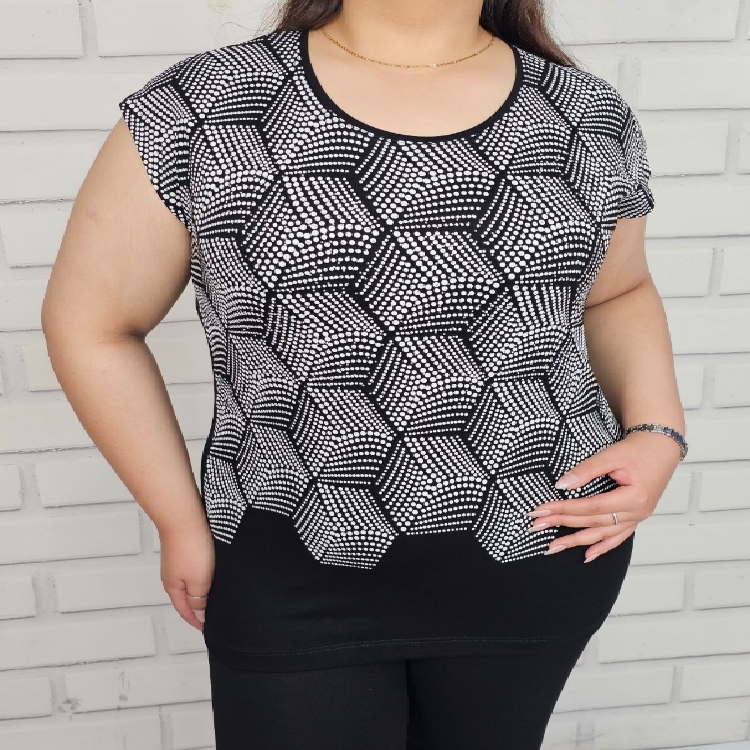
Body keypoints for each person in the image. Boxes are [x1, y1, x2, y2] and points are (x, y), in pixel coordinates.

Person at [41, 0, 687, 747]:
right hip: (289, 560)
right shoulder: (205, 105)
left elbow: (618, 291)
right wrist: (179, 520)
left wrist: (658, 431)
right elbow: (91, 325)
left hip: (540, 552)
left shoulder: (584, 112)